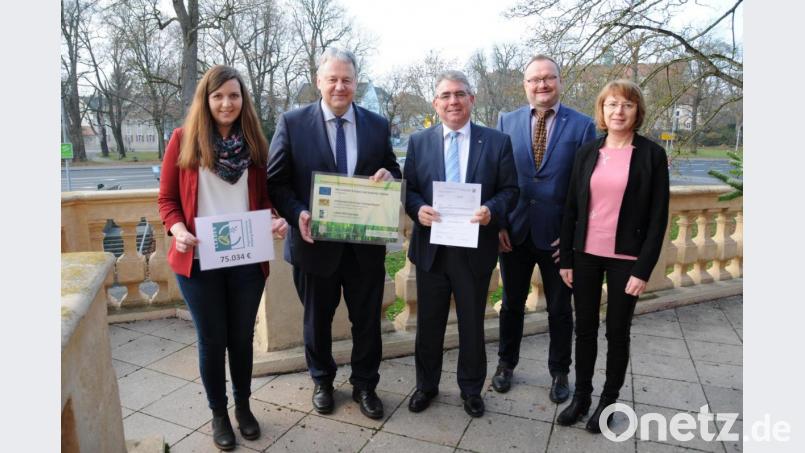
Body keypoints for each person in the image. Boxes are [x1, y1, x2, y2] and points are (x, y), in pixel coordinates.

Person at [158, 65, 288, 451]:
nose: (227, 103)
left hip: (246, 258)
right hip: (199, 261)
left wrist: (275, 222)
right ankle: (219, 413)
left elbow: (263, 201)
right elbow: (167, 200)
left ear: (242, 100)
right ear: (206, 100)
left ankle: (244, 408)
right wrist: (178, 230)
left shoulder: (254, 144)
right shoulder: (184, 140)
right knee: (212, 340)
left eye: (234, 95)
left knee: (241, 339)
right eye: (218, 96)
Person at [266, 48, 401, 420]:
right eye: (333, 79)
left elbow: (392, 168)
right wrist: (298, 213)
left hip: (364, 247)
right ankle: (322, 381)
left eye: (347, 80)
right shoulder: (292, 123)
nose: (340, 86)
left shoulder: (376, 124)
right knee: (316, 321)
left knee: (368, 321)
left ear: (356, 83)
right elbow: (275, 183)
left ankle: (365, 385)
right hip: (314, 244)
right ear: (319, 81)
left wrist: (391, 176)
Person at [555, 79, 670, 433]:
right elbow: (571, 208)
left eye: (627, 105)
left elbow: (658, 217)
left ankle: (608, 401)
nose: (618, 111)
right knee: (585, 329)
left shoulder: (651, 155)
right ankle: (583, 396)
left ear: (637, 111)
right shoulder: (588, 152)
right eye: (611, 105)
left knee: (617, 332)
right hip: (586, 254)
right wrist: (567, 259)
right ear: (602, 111)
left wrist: (643, 268)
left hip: (626, 259)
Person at [403, 70, 518, 418]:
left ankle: (471, 389)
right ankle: (426, 386)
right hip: (431, 249)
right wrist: (418, 208)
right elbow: (408, 189)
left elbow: (511, 190)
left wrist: (492, 211)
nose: (453, 101)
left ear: (472, 98)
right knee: (428, 325)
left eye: (460, 94)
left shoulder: (496, 142)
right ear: (436, 103)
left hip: (474, 248)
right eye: (446, 95)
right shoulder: (419, 141)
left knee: (472, 325)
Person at [493, 55, 596, 402]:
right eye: (534, 79)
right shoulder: (506, 121)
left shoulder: (582, 126)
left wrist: (572, 236)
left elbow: (587, 187)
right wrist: (500, 224)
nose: (541, 85)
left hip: (557, 238)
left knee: (559, 309)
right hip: (515, 233)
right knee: (511, 305)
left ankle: (559, 372)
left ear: (559, 81)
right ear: (525, 85)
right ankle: (506, 364)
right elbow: (499, 178)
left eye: (548, 78)